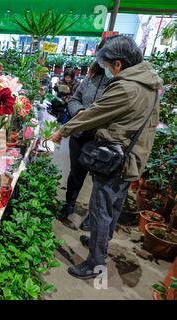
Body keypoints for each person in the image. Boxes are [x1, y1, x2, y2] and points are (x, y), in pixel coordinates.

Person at [51, 35, 162, 279]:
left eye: (107, 65)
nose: (106, 70)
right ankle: (98, 245)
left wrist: (62, 131)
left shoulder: (126, 87)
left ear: (119, 64)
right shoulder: (150, 84)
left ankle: (95, 263)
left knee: (100, 211)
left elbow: (94, 114)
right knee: (112, 208)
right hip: (133, 159)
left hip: (116, 161)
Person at [58, 58, 110, 231]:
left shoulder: (118, 83)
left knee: (99, 180)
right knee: (76, 173)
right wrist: (79, 111)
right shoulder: (90, 78)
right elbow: (74, 99)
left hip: (101, 139)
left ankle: (92, 216)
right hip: (80, 134)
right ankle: (69, 204)